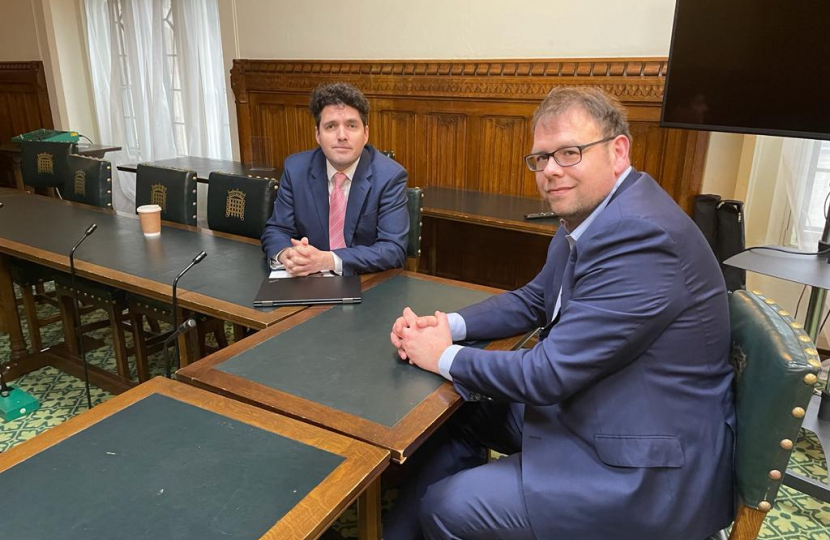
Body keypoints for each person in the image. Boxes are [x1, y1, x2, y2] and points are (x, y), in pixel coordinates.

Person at [387, 87, 736, 540]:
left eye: (569, 153)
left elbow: (547, 375)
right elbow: (535, 300)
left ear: (618, 151)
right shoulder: (592, 214)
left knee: (447, 505)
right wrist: (448, 325)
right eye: (541, 158)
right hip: (597, 407)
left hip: (644, 468)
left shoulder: (641, 236)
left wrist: (441, 355)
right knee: (461, 414)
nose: (551, 170)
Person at [261, 82, 409, 276]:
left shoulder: (390, 176)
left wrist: (328, 260)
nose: (342, 136)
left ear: (365, 134)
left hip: (366, 282)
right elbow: (277, 230)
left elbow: (393, 249)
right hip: (306, 280)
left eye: (351, 126)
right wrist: (288, 254)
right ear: (318, 134)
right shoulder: (296, 169)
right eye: (331, 126)